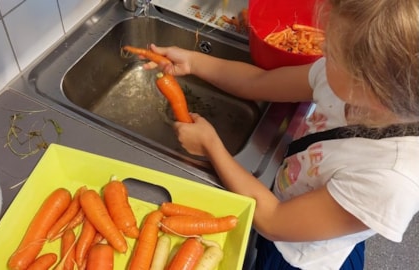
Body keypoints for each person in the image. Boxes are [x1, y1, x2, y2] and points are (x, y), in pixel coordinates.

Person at [142, 0, 419, 269]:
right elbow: (258, 83)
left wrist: (211, 146)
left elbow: (274, 221)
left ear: (373, 88)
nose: (322, 48)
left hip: (299, 257)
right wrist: (193, 62)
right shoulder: (345, 84)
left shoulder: (390, 182)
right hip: (291, 206)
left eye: (332, 51)